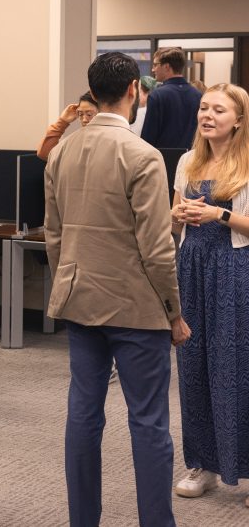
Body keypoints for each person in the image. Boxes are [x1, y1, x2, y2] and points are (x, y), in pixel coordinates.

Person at [44, 51, 190, 527]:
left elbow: (54, 234)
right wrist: (173, 311)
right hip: (137, 307)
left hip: (79, 299)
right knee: (148, 422)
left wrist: (67, 281)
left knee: (83, 415)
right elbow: (156, 246)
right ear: (134, 91)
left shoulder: (62, 150)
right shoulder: (141, 155)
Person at [170, 83, 249, 508]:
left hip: (235, 270)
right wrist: (176, 212)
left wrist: (220, 213)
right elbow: (173, 217)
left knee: (237, 366)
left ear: (238, 119)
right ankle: (202, 463)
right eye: (204, 107)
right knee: (194, 365)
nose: (208, 114)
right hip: (192, 269)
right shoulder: (187, 160)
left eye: (219, 109)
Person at [141, 46, 201, 149]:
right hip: (191, 159)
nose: (153, 69)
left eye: (155, 65)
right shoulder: (198, 95)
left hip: (163, 160)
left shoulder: (157, 96)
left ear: (167, 67)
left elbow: (148, 139)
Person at [36, 92, 99, 161]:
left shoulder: (109, 139)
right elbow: (44, 154)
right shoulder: (76, 140)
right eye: (80, 114)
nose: (84, 120)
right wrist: (62, 122)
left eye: (89, 114)